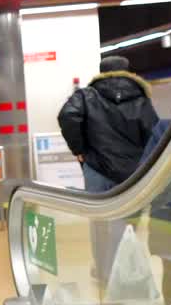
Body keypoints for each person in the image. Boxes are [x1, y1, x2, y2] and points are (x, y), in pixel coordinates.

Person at [58, 55, 158, 284]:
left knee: (100, 223)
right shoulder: (141, 98)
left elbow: (67, 115)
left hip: (97, 168)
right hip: (133, 173)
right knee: (129, 222)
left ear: (101, 72)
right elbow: (152, 132)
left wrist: (80, 149)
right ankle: (124, 271)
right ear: (128, 71)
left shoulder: (86, 95)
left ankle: (104, 272)